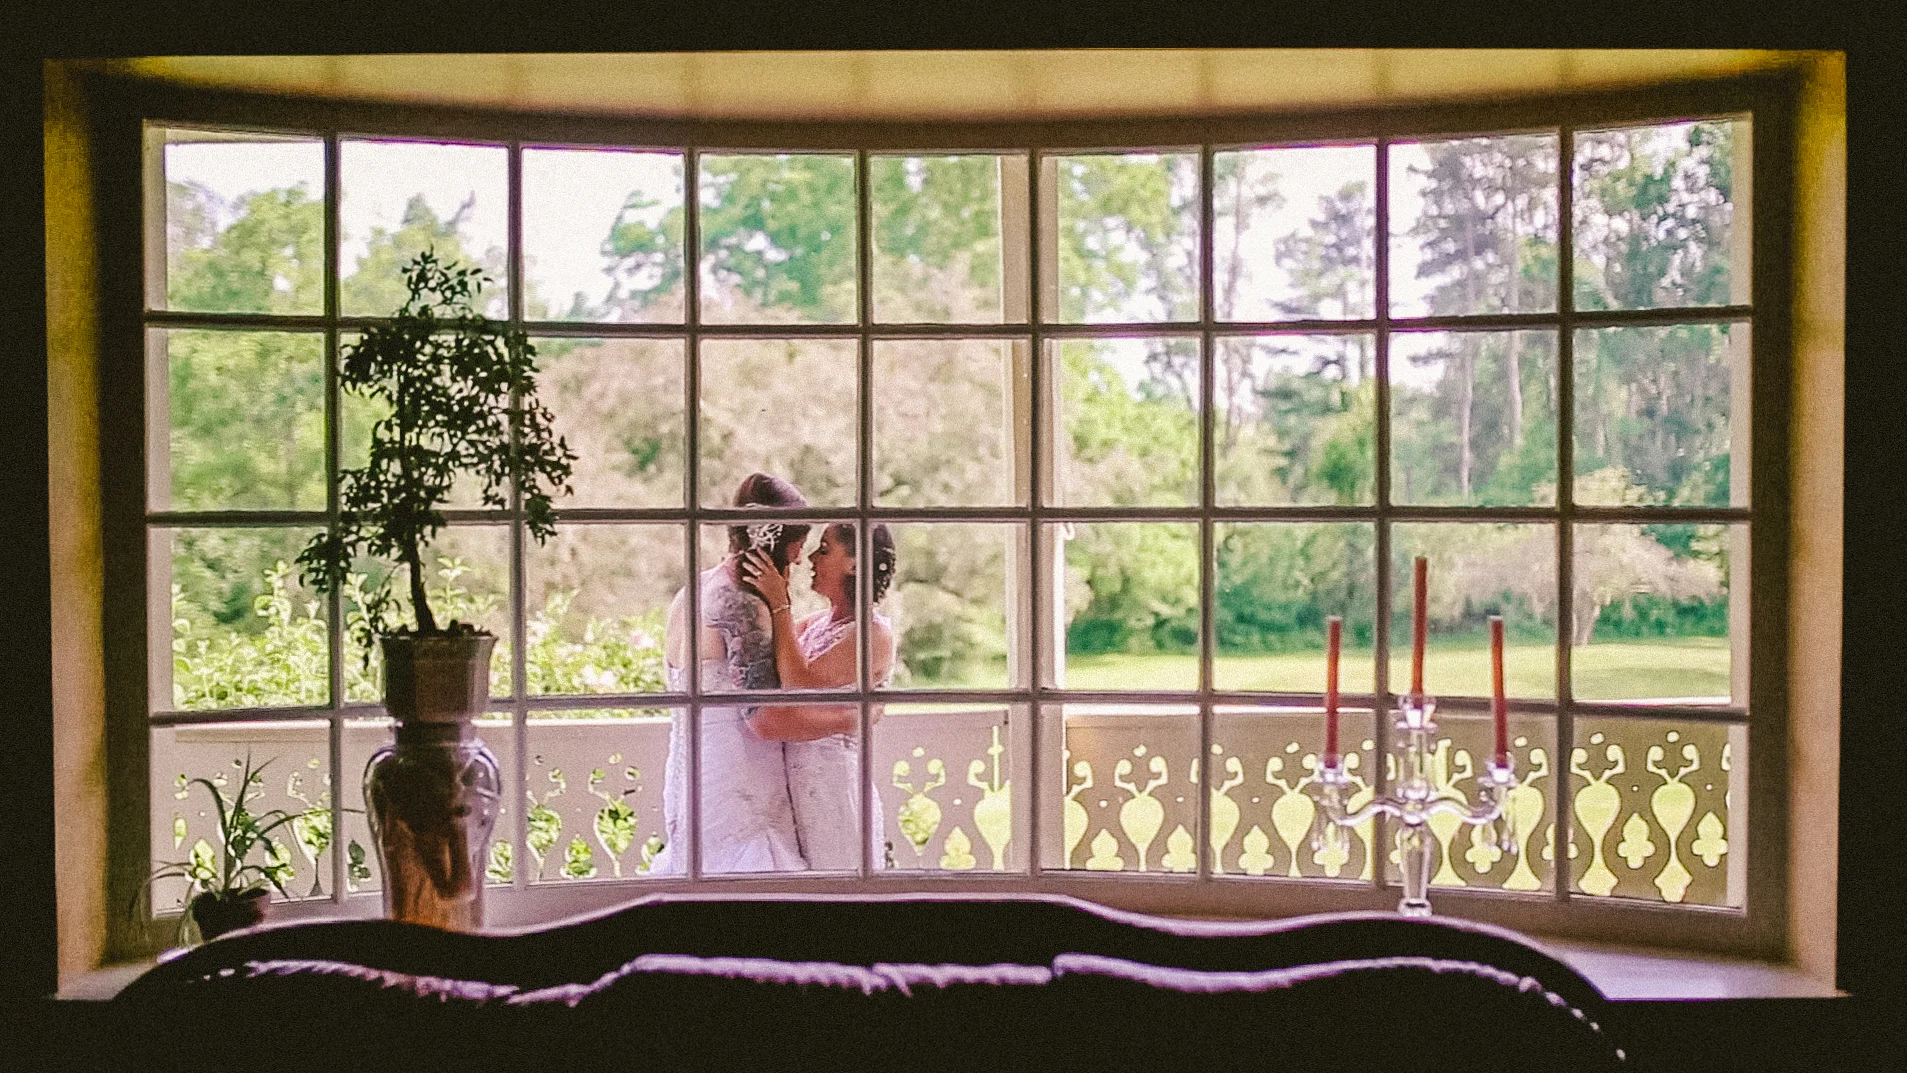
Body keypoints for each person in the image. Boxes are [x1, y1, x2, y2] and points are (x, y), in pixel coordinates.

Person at [653, 473, 834, 875]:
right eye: (797, 546)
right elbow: (766, 720)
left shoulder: (692, 590)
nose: (800, 560)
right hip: (741, 782)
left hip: (691, 776)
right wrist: (848, 718)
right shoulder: (741, 603)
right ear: (772, 541)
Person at [741, 522, 897, 871]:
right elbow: (772, 661)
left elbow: (800, 683)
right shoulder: (815, 625)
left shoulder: (874, 633)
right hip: (795, 793)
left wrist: (781, 604)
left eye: (824, 549)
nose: (812, 557)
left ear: (855, 565)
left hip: (835, 792)